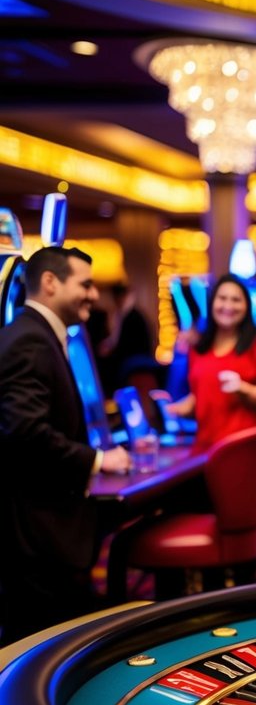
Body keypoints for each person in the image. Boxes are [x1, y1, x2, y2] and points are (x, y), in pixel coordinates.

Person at [0, 246, 131, 645]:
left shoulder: (37, 335)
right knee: (37, 646)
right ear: (50, 283)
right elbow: (25, 431)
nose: (94, 294)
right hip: (36, 527)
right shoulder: (30, 341)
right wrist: (97, 459)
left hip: (43, 524)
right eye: (85, 285)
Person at [167, 274, 256, 451]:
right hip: (205, 447)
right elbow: (201, 396)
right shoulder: (199, 347)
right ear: (212, 303)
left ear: (246, 306)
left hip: (244, 448)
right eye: (222, 298)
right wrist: (173, 409)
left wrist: (242, 388)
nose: (228, 306)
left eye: (236, 300)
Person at [99, 281, 155, 393]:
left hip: (135, 359)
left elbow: (126, 346)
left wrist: (109, 352)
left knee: (106, 366)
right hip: (133, 357)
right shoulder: (126, 314)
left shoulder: (133, 316)